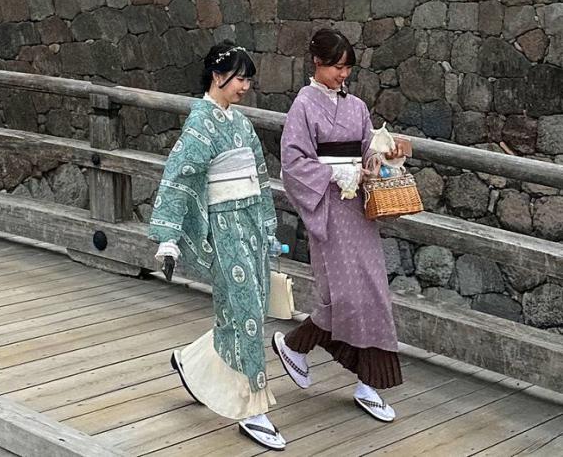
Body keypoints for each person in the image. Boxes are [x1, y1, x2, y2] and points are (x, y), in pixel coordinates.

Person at [148, 41, 287, 451]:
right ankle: (253, 410)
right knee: (243, 310)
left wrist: (267, 227)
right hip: (223, 226)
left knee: (248, 309)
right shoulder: (199, 124)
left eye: (248, 79)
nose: (246, 86)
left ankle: (193, 363)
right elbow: (179, 178)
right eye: (240, 78)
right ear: (217, 75)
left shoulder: (241, 124)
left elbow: (260, 179)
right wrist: (168, 239)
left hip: (249, 225)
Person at [273, 28, 407, 423]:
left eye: (347, 68)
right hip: (329, 208)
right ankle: (298, 346)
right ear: (316, 62)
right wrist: (338, 174)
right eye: (336, 66)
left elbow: (368, 152)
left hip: (358, 211)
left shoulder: (358, 108)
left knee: (373, 292)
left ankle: (368, 383)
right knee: (344, 296)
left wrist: (386, 153)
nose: (342, 75)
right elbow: (294, 165)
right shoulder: (303, 107)